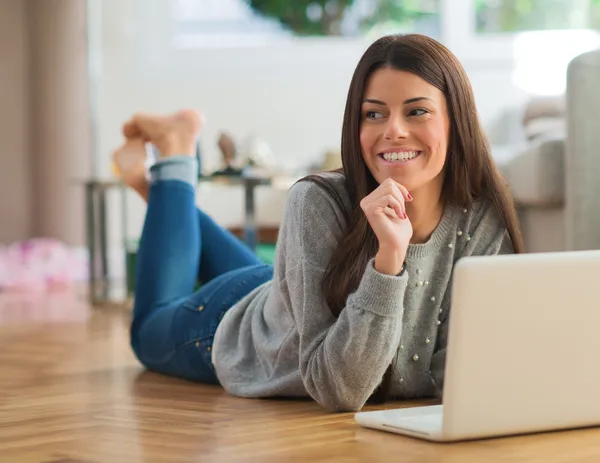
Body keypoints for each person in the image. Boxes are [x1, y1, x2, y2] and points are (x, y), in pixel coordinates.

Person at [112, 33, 523, 413]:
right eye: (374, 114)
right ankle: (175, 153)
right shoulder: (316, 201)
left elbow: (460, 373)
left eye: (417, 111)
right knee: (148, 329)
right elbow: (338, 389)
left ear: (456, 119)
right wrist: (389, 259)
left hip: (287, 291)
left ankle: (163, 199)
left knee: (270, 284)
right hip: (236, 325)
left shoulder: (482, 216)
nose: (394, 131)